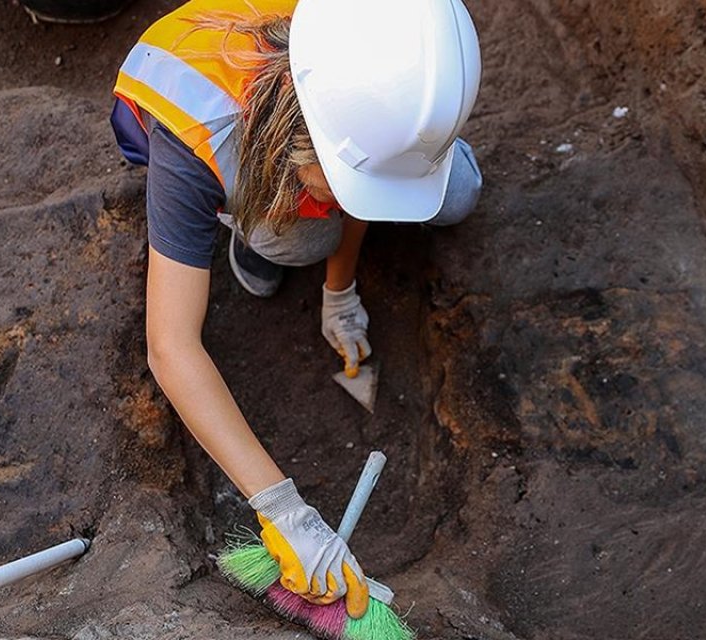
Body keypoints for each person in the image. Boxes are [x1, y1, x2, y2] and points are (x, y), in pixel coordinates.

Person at [109, 0, 481, 619]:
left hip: (351, 128)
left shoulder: (393, 35)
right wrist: (282, 509)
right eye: (344, 179)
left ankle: (371, 181)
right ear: (300, 136)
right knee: (303, 237)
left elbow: (363, 185)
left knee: (459, 191)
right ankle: (245, 222)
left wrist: (340, 292)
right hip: (221, 128)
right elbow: (171, 346)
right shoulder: (194, 136)